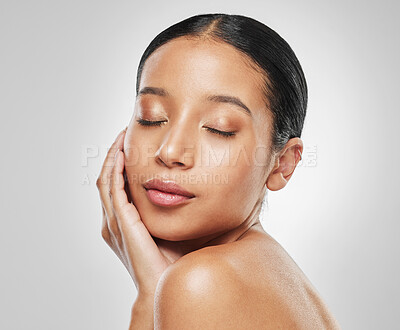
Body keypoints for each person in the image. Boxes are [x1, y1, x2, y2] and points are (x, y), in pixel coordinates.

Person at [96, 13, 340, 329]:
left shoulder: (204, 282)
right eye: (151, 117)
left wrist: (148, 295)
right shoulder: (272, 272)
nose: (170, 152)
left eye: (218, 128)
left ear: (283, 163)